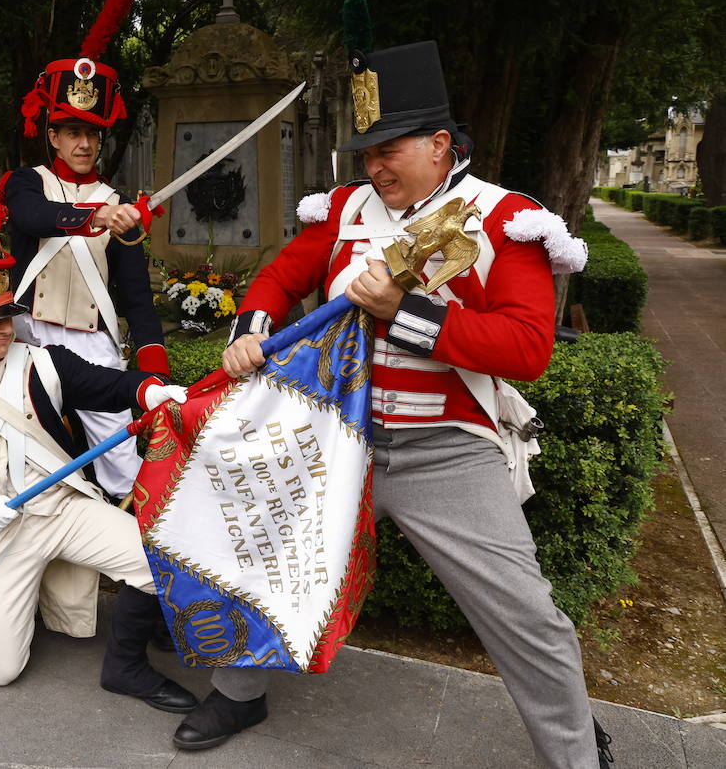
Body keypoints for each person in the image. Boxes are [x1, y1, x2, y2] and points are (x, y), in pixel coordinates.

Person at [172, 40, 610, 769]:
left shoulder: (504, 218)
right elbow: (280, 277)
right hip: (336, 437)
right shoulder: (344, 209)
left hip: (447, 447)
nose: (374, 167)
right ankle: (238, 690)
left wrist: (405, 313)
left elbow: (528, 347)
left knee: (526, 615)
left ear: (441, 144)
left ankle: (575, 753)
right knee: (270, 562)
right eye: (366, 152)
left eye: (390, 149)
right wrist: (250, 332)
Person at [0, 238, 195, 712]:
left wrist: (152, 392)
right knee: (1, 670)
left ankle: (125, 667)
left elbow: (111, 385)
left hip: (66, 506)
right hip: (3, 528)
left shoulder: (45, 361)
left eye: (7, 315)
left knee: (162, 562)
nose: (6, 327)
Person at [0, 0, 168, 500]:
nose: (84, 143)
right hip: (29, 334)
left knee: (120, 460)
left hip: (93, 342)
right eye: (73, 131)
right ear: (52, 135)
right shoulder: (30, 182)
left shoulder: (120, 206)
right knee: (21, 448)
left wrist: (154, 364)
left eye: (92, 133)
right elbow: (30, 218)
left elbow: (136, 297)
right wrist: (95, 218)